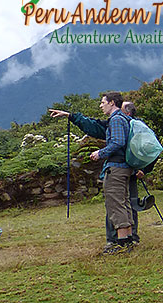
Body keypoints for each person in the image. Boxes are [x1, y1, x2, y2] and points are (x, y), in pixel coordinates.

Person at [49, 92, 137, 254]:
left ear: (112, 103)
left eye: (103, 102)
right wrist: (70, 116)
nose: (100, 105)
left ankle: (122, 243)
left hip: (116, 168)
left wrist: (100, 153)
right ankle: (129, 239)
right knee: (124, 203)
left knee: (116, 204)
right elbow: (96, 126)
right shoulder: (124, 119)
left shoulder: (116, 119)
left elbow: (118, 142)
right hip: (125, 167)